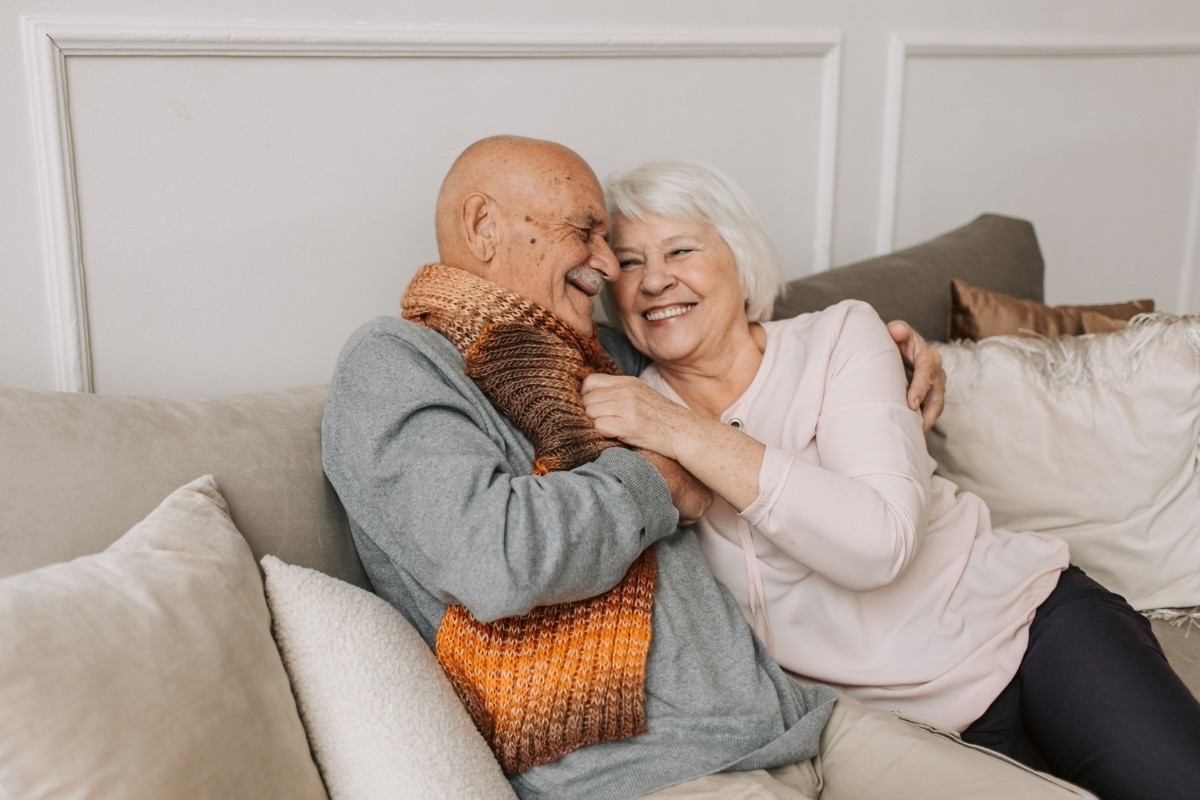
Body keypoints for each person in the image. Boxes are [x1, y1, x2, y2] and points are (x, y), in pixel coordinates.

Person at [322, 134, 1096, 800]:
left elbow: (724, 334)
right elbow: (493, 558)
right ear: (483, 225)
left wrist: (906, 355)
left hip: (803, 722)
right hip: (661, 774)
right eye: (588, 234)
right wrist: (661, 481)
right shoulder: (396, 364)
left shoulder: (596, 354)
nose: (608, 266)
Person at [582, 158, 1200, 800]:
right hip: (898, 735)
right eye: (628, 263)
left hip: (1028, 632)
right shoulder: (628, 411)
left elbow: (878, 544)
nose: (654, 280)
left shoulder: (840, 338)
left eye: (680, 250)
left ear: (741, 263)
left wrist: (689, 434)